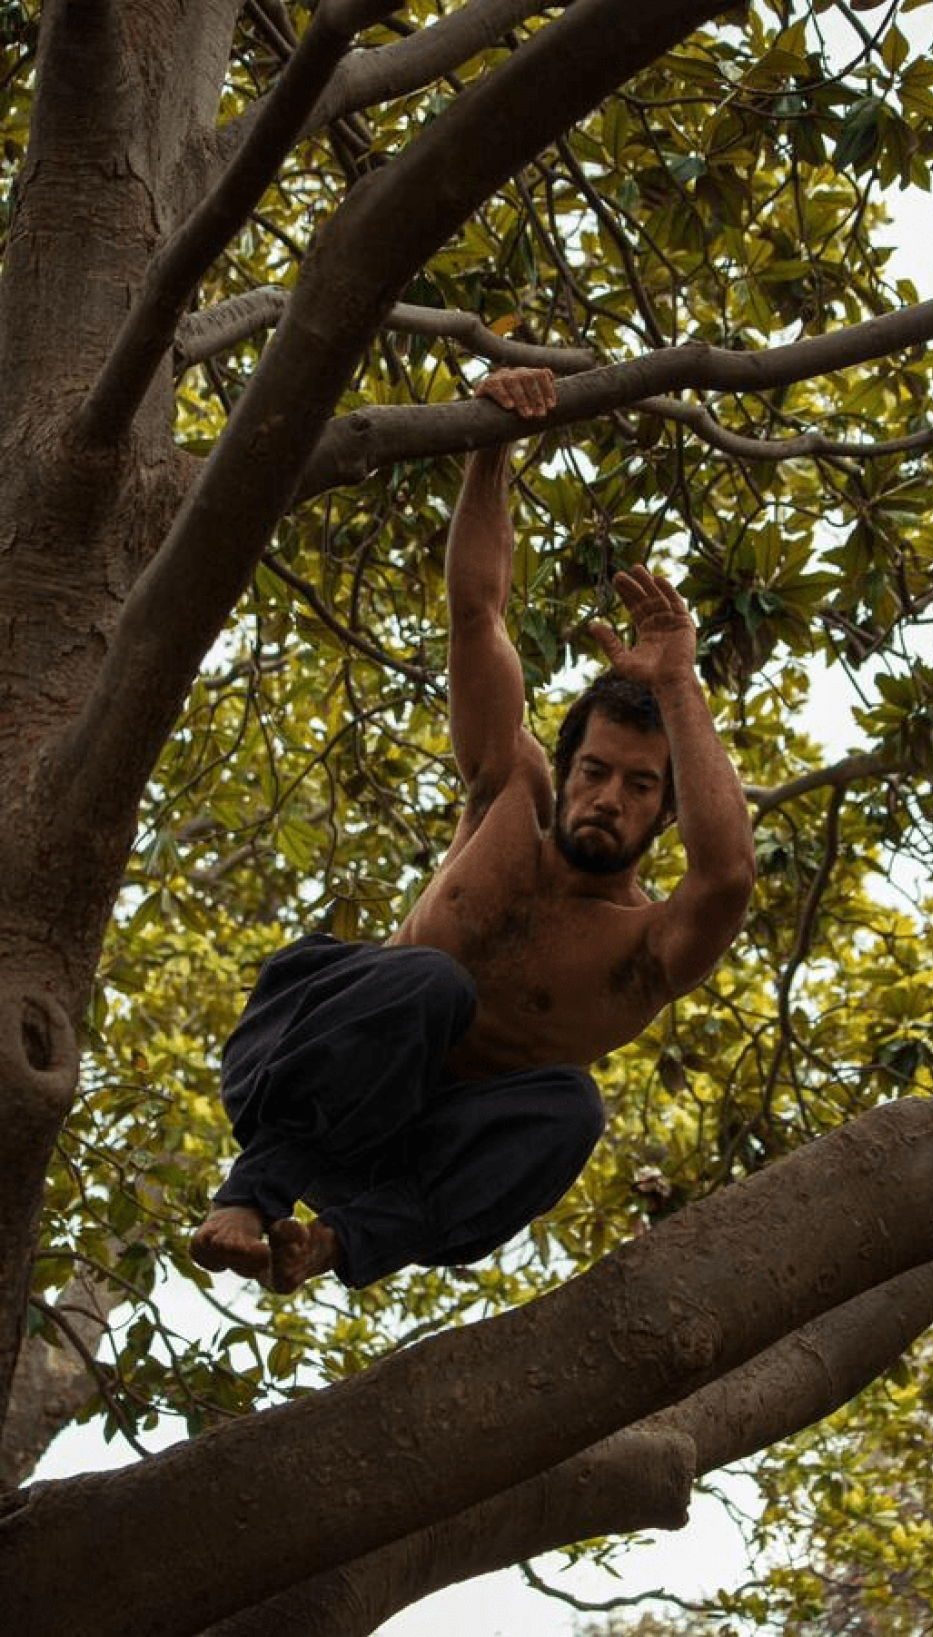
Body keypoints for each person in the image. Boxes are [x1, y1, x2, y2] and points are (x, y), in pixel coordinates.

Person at [191, 366, 756, 1295]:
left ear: (667, 810)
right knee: (427, 978)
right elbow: (475, 614)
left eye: (639, 785)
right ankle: (252, 1196)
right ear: (566, 768)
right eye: (595, 770)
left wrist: (679, 682)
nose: (608, 796)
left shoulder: (647, 947)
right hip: (312, 1072)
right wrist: (490, 449)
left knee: (572, 1106)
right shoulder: (509, 792)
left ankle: (332, 1244)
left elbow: (727, 875)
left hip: (404, 1161)